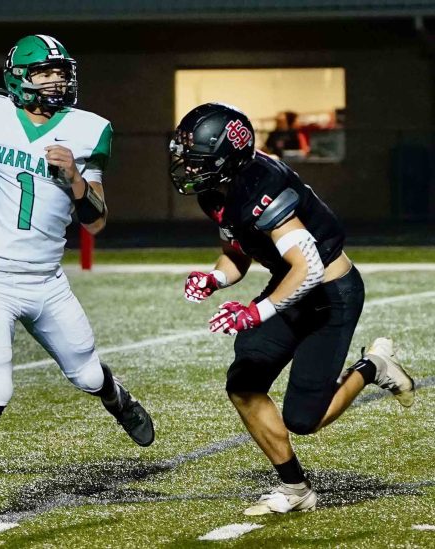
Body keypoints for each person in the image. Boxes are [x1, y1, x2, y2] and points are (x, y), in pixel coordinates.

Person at [0, 34, 154, 530]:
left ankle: (114, 397)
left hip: (46, 281)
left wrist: (77, 182)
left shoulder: (88, 130)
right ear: (19, 79)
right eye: (45, 73)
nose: (57, 80)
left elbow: (96, 221)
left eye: (62, 72)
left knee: (85, 376)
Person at [169, 102, 415, 515]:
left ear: (227, 160)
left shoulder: (263, 187)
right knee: (244, 385)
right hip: (290, 287)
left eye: (197, 160)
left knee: (304, 419)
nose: (187, 168)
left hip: (328, 295)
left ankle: (374, 365)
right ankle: (296, 489)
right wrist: (215, 277)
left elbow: (309, 266)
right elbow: (238, 251)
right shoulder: (218, 191)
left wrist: (256, 312)